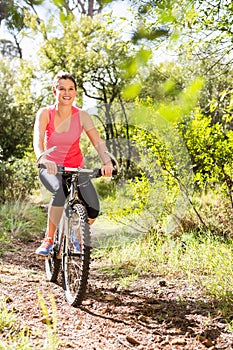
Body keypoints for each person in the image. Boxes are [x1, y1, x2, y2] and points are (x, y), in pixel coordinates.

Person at [33, 72, 113, 256]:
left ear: (75, 92)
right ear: (55, 91)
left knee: (93, 209)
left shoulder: (82, 116)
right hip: (51, 168)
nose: (66, 93)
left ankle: (76, 233)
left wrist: (107, 162)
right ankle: (49, 239)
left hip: (76, 167)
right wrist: (43, 159)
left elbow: (98, 142)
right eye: (62, 88)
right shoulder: (45, 113)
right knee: (59, 192)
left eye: (70, 89)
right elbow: (38, 141)